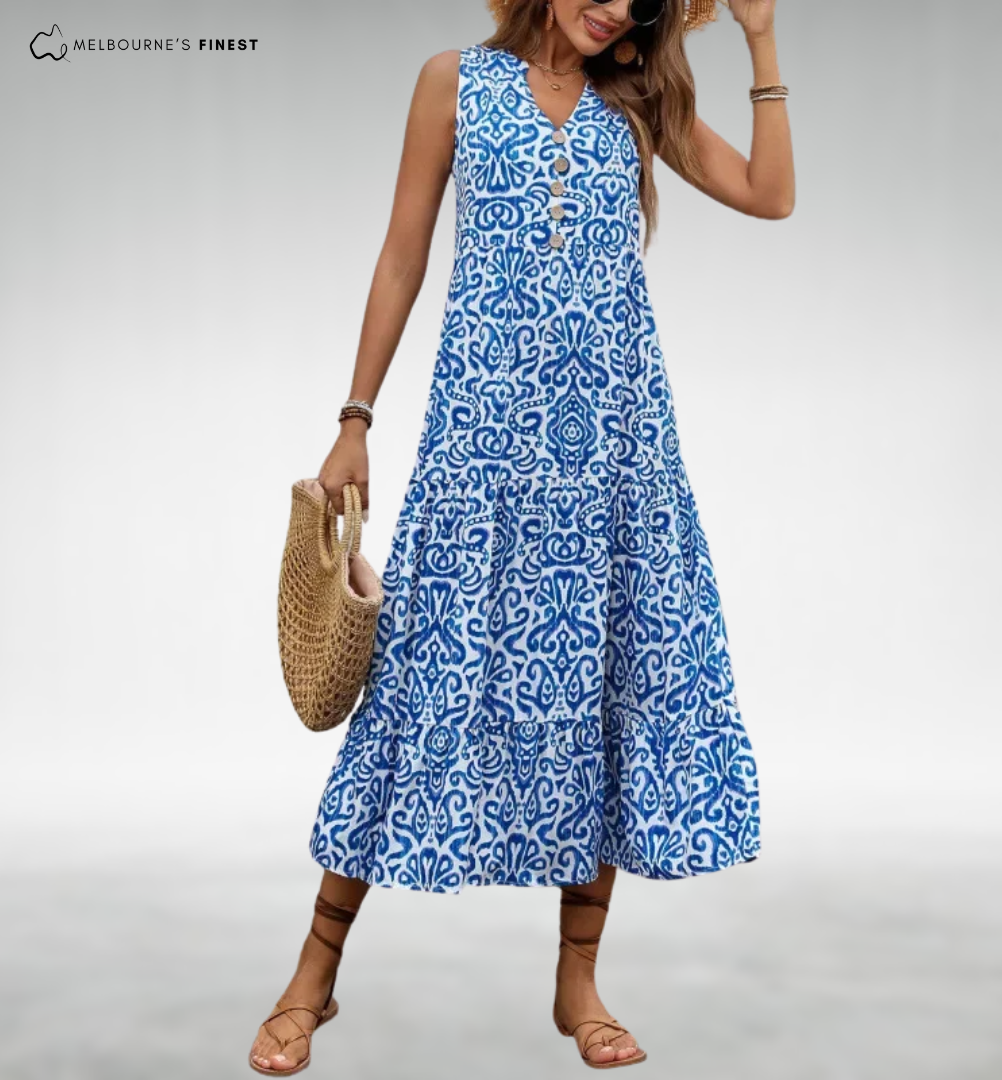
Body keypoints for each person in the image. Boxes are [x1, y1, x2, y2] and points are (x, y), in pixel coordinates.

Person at [250, 0, 793, 1072]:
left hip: (613, 456)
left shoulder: (638, 103)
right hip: (481, 443)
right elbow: (402, 256)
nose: (613, 7)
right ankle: (313, 976)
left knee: (602, 686)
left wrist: (760, 39)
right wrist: (355, 419)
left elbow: (770, 195)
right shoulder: (453, 82)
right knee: (414, 682)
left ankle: (576, 981)